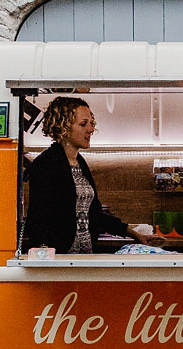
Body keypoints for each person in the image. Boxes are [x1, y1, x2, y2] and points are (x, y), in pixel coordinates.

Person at [22, 96, 158, 253]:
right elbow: (38, 219)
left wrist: (134, 234)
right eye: (83, 124)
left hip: (83, 257)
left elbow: (94, 213)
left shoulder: (79, 162)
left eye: (91, 123)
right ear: (63, 127)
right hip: (61, 261)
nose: (91, 129)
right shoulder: (46, 164)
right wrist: (46, 257)